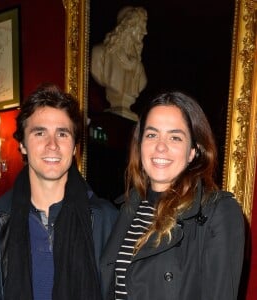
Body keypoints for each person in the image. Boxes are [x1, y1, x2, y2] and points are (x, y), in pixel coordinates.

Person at [0, 83, 118, 300]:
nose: (52, 145)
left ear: (75, 146)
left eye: (62, 134)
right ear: (22, 145)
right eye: (40, 133)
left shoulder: (107, 219)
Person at [100, 91, 245, 300]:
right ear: (140, 144)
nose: (161, 146)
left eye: (175, 137)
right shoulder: (127, 208)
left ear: (193, 152)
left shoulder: (218, 212)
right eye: (152, 134)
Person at [91, 6, 148, 121]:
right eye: (140, 27)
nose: (145, 32)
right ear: (127, 27)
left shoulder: (140, 70)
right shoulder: (100, 54)